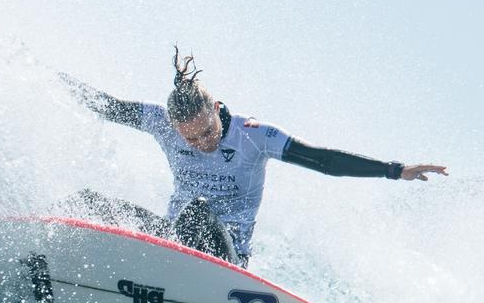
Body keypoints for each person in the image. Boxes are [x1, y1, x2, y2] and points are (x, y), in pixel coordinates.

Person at [58, 48, 447, 267]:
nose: (202, 144)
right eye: (189, 139)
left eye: (207, 132)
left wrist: (395, 171)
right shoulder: (159, 121)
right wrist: (35, 73)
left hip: (223, 258)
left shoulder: (255, 136)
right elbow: (105, 107)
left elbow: (323, 161)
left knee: (196, 212)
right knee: (89, 203)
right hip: (171, 243)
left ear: (216, 108)